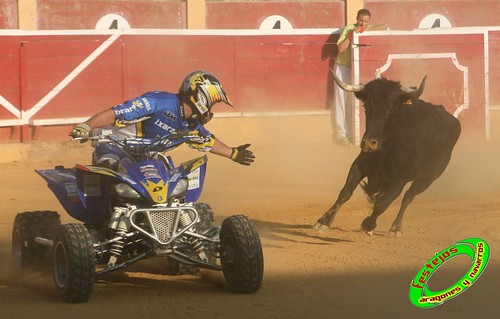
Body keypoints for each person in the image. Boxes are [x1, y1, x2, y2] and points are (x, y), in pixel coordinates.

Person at [69, 70, 255, 169]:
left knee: (170, 176)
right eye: (212, 103)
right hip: (115, 148)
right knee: (108, 167)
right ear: (201, 97)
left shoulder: (190, 124)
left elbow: (207, 141)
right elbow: (117, 113)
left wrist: (233, 153)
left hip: (148, 158)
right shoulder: (159, 102)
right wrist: (87, 125)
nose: (210, 111)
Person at [331, 9, 386, 145]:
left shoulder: (366, 28)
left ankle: (352, 133)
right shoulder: (349, 28)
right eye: (361, 20)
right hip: (343, 67)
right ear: (356, 18)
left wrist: (365, 30)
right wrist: (351, 36)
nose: (363, 23)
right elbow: (341, 49)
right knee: (341, 101)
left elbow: (384, 26)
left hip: (357, 69)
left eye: (366, 21)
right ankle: (340, 133)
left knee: (353, 101)